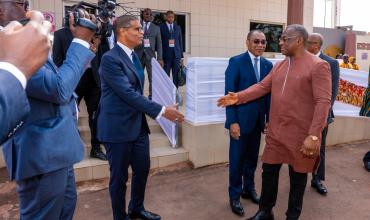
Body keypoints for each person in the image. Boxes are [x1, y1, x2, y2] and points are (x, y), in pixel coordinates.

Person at [218, 24, 332, 220]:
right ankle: (265, 211)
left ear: (298, 41)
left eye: (284, 39)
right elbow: (262, 86)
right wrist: (238, 97)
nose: (280, 42)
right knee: (268, 172)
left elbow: (323, 102)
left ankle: (292, 215)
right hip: (276, 133)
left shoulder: (318, 65)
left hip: (301, 135)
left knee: (297, 179)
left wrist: (314, 135)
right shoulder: (279, 65)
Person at [0, 1, 96, 219]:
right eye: (19, 1)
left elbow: (56, 80)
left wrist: (80, 41)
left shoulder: (21, 38)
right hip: (40, 155)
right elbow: (58, 89)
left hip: (58, 149)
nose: (26, 6)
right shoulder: (5, 47)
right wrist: (81, 42)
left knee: (66, 210)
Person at [97, 15, 184, 220]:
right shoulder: (110, 59)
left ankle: (136, 208)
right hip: (117, 129)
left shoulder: (135, 56)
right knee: (118, 179)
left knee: (142, 170)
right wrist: (162, 111)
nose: (141, 32)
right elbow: (127, 93)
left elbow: (137, 92)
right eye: (137, 29)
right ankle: (120, 216)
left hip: (137, 127)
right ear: (122, 31)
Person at [225, 30, 273, 217]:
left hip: (258, 122)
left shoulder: (269, 65)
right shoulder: (236, 62)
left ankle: (249, 189)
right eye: (256, 41)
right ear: (247, 42)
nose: (260, 45)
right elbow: (229, 95)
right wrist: (232, 122)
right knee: (236, 161)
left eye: (263, 42)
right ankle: (235, 196)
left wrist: (268, 119)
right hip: (240, 121)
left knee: (252, 159)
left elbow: (269, 94)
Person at [53, 3, 109, 161]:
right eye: (78, 16)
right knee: (70, 115)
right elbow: (57, 62)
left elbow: (100, 53)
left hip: (93, 80)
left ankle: (96, 148)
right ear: (70, 19)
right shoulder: (60, 35)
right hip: (73, 83)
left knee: (96, 116)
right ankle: (70, 147)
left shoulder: (92, 33)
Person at [0, 12, 51, 144]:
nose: (26, 10)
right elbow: (57, 89)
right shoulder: (13, 46)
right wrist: (16, 65)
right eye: (21, 3)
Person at [306, 33, 340, 196]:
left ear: (317, 45)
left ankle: (317, 179)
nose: (305, 45)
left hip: (322, 115)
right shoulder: (302, 59)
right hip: (302, 113)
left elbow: (332, 92)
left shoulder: (331, 63)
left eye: (309, 43)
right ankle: (298, 176)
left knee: (320, 148)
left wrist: (324, 116)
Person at [134, 8, 163, 99]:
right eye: (147, 14)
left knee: (152, 79)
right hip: (138, 55)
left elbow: (159, 44)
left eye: (150, 14)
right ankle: (138, 96)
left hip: (151, 57)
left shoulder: (156, 28)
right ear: (143, 14)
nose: (149, 16)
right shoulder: (137, 26)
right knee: (138, 77)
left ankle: (151, 98)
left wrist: (160, 58)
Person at [160, 10, 184, 88]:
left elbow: (180, 42)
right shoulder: (161, 27)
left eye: (172, 17)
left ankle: (175, 93)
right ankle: (166, 93)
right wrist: (160, 57)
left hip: (176, 56)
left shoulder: (178, 27)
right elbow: (159, 42)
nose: (171, 18)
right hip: (166, 56)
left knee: (176, 76)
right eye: (169, 17)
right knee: (165, 76)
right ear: (166, 17)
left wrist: (181, 57)